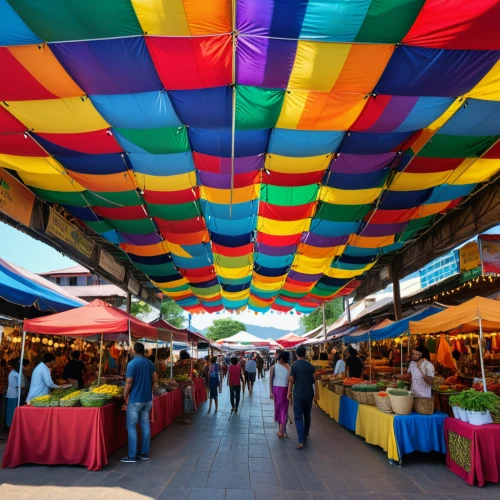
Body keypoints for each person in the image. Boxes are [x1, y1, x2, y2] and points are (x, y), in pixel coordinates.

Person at [121, 342, 158, 463]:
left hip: (135, 400)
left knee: (131, 427)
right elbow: (155, 380)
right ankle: (144, 453)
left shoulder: (132, 364)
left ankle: (132, 455)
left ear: (134, 350)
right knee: (145, 426)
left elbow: (129, 382)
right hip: (147, 400)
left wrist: (124, 396)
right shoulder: (149, 363)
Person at [288, 346, 319, 449]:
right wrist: (317, 394)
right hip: (309, 394)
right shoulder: (311, 366)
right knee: (307, 414)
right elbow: (315, 381)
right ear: (305, 354)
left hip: (298, 394)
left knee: (298, 417)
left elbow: (291, 380)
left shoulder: (294, 366)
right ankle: (306, 433)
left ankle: (301, 439)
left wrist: (289, 392)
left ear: (296, 354)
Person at [270, 351, 290, 439]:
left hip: (276, 388)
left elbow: (271, 380)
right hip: (284, 389)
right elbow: (289, 381)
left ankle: (281, 429)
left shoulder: (273, 367)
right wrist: (290, 392)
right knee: (284, 409)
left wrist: (271, 391)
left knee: (278, 408)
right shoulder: (288, 367)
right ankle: (282, 430)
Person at [5, 358, 24, 428]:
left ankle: (9, 424)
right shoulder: (15, 374)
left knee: (10, 409)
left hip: (11, 392)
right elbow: (21, 384)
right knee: (12, 409)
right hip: (13, 393)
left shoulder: (12, 373)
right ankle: (11, 424)